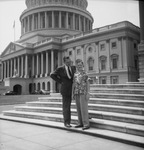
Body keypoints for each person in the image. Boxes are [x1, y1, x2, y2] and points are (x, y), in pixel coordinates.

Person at [50, 56, 76, 128]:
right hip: (65, 90)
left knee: (79, 104)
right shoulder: (60, 69)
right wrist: (60, 82)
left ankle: (85, 118)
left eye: (70, 62)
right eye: (67, 62)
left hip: (74, 89)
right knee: (66, 107)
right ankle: (67, 122)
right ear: (64, 62)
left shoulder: (73, 68)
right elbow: (52, 75)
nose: (69, 63)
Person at [72, 59, 90, 130]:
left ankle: (86, 124)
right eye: (78, 65)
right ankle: (80, 123)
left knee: (84, 109)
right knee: (78, 109)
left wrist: (88, 93)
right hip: (77, 92)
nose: (79, 66)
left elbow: (88, 84)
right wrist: (72, 93)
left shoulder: (85, 73)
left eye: (80, 65)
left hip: (83, 92)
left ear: (83, 65)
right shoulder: (75, 74)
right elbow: (74, 84)